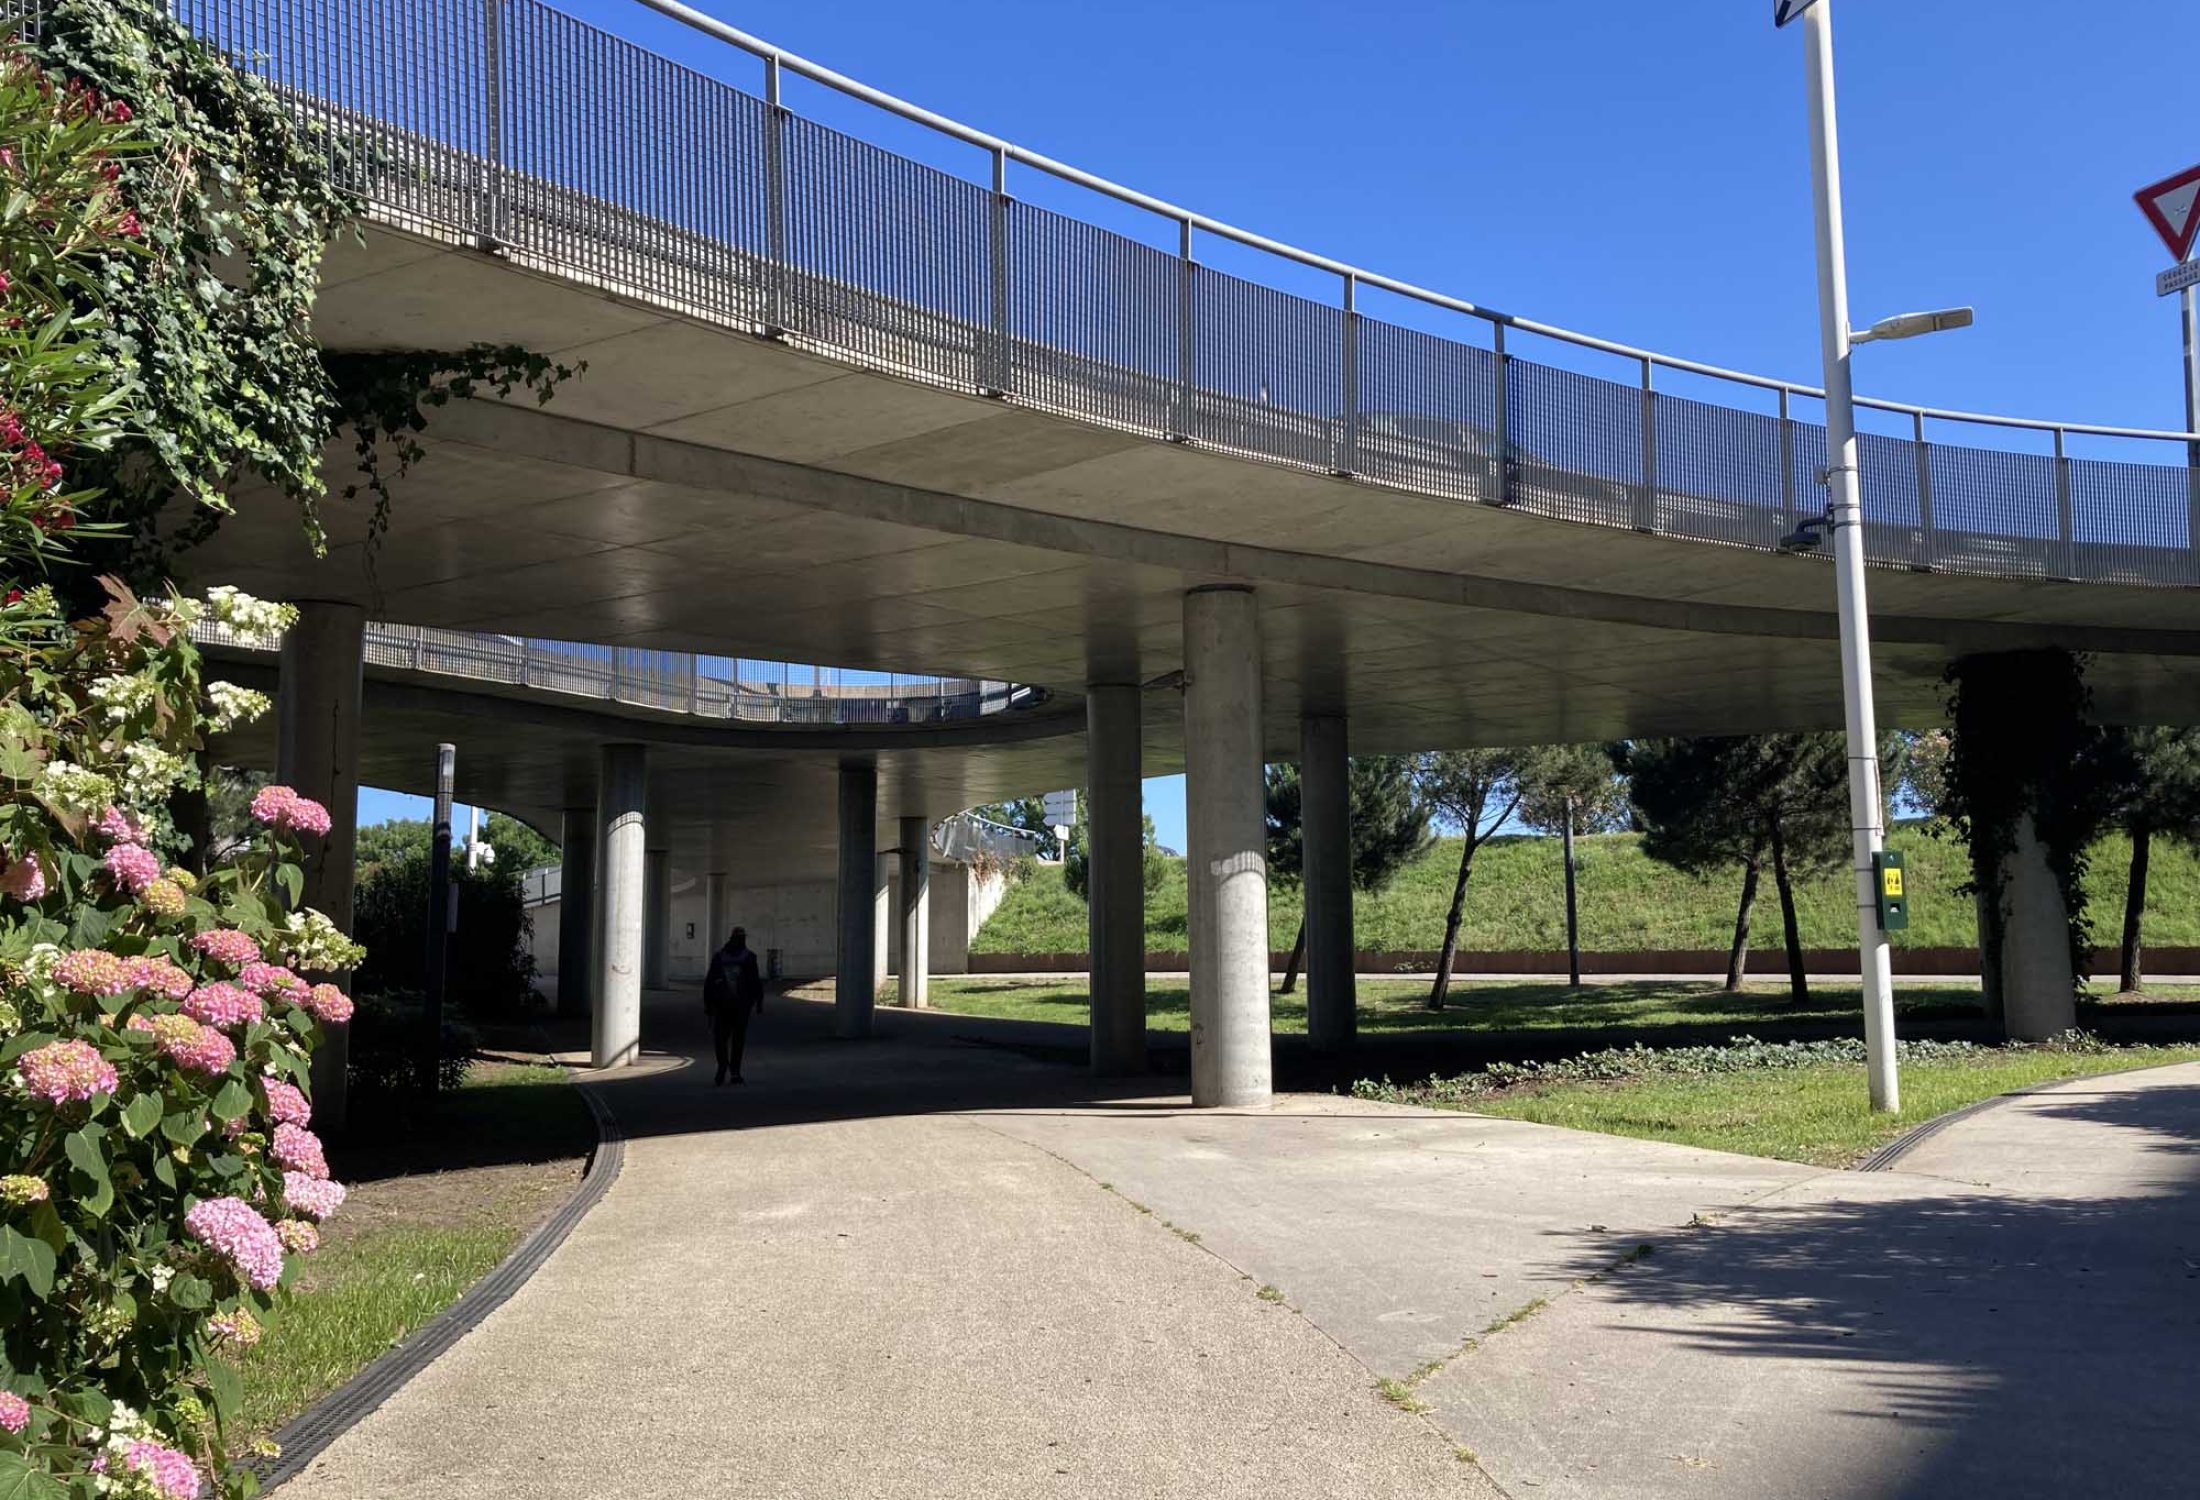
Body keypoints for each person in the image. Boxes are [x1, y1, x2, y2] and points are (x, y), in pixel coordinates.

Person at [703, 926, 764, 1086]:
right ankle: (735, 1072)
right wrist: (758, 1002)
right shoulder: (749, 957)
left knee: (720, 1039)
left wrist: (708, 1005)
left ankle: (722, 1066)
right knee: (738, 1040)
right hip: (741, 1006)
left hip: (721, 1005)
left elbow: (709, 982)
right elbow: (755, 981)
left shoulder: (719, 957)